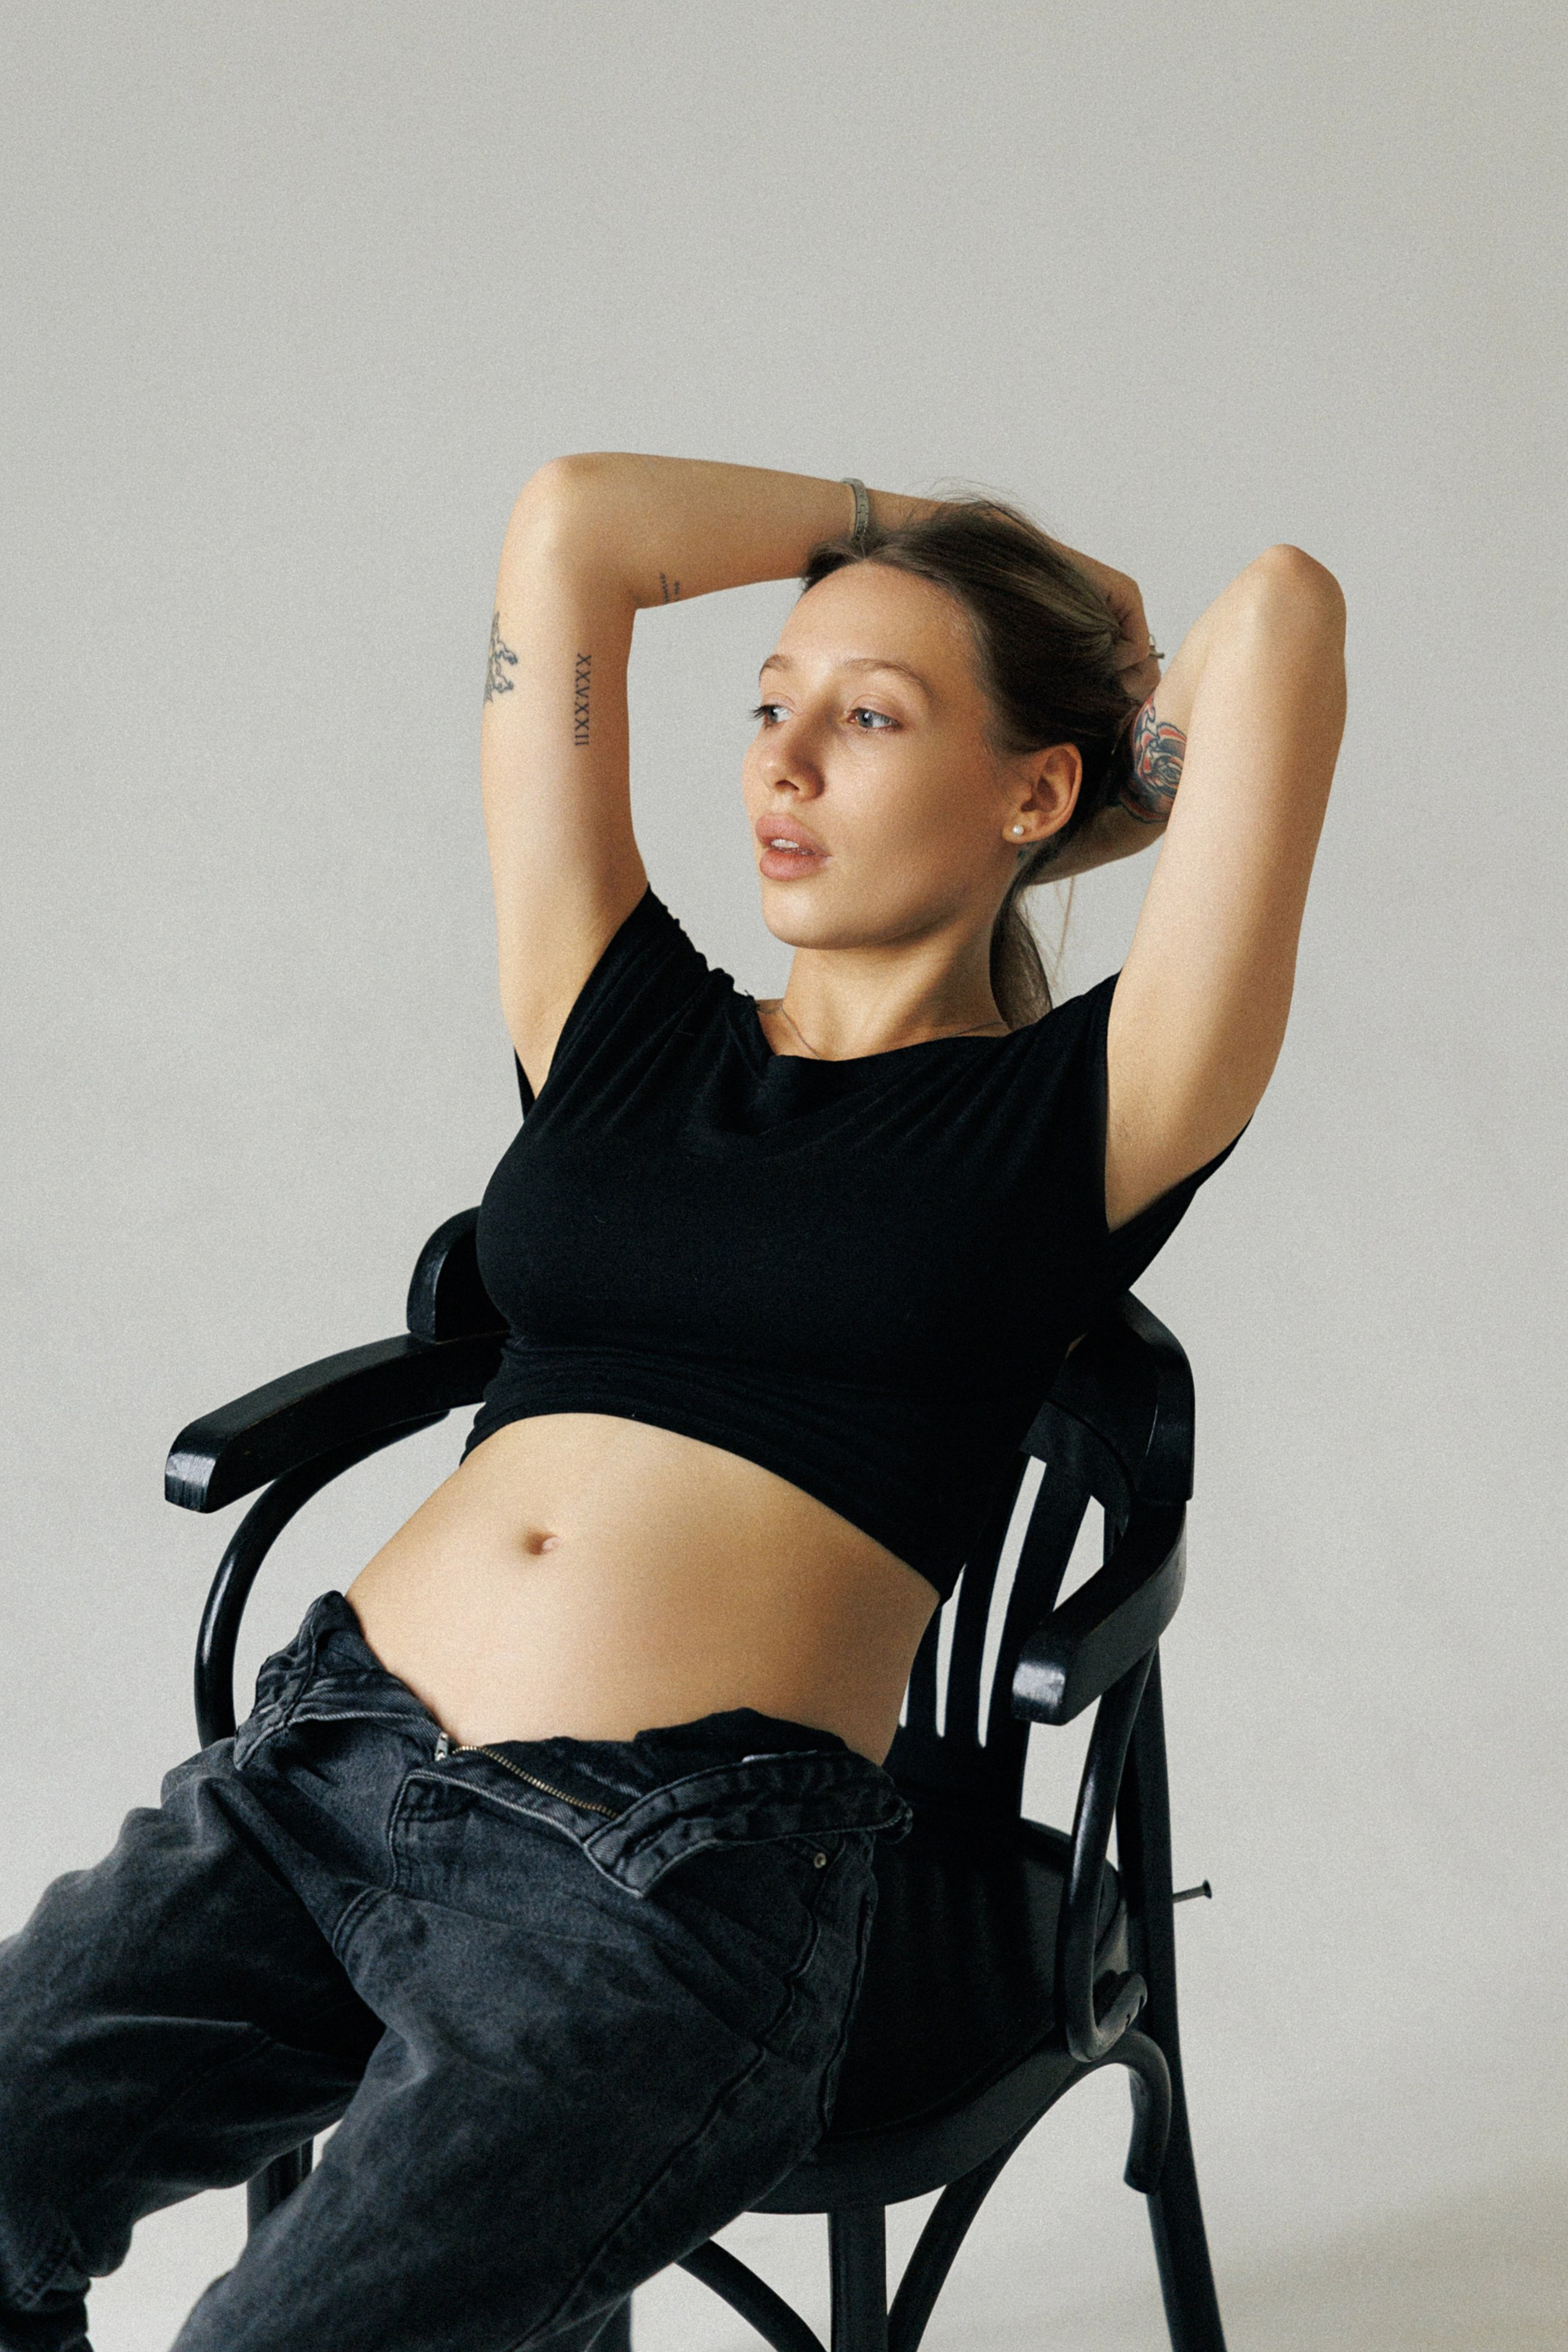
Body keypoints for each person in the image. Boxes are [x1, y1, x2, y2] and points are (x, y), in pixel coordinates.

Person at [0, 460, 1347, 2351]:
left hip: (659, 1881)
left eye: (870, 719)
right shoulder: (618, 1016)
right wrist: (891, 532)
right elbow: (575, 527)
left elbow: (1280, 611)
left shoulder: (1078, 1118)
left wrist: (1093, 659)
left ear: (1036, 793)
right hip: (319, 1778)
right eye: (771, 704)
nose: (781, 763)